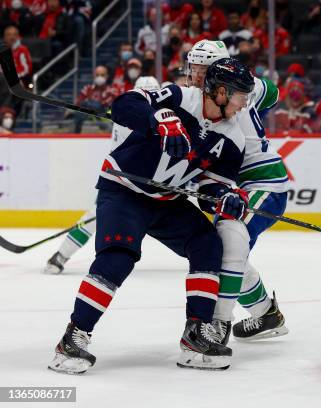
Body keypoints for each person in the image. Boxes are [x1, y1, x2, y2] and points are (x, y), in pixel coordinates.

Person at [48, 58, 254, 374]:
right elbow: (124, 104)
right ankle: (72, 339)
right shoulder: (181, 98)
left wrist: (226, 199)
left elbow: (213, 187)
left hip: (165, 200)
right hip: (124, 189)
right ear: (222, 92)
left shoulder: (233, 139)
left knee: (207, 243)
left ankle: (195, 335)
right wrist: (160, 119)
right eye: (240, 95)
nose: (243, 104)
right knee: (119, 256)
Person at [184, 40, 289, 342]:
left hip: (262, 182)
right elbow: (273, 92)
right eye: (194, 68)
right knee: (231, 250)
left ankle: (219, 323)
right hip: (238, 185)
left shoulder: (221, 95)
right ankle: (266, 314)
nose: (196, 75)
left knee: (229, 242)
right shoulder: (237, 86)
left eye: (203, 69)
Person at [44, 76, 162, 275]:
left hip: (142, 178)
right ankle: (61, 255)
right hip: (122, 179)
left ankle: (60, 256)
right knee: (96, 216)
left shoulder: (138, 114)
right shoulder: (135, 119)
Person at [73, 65, 119, 133]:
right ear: (94, 76)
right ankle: (76, 136)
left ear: (107, 76)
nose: (99, 77)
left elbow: (112, 109)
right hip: (88, 122)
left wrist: (98, 106)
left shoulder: (112, 91)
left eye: (102, 75)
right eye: (97, 75)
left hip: (106, 121)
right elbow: (77, 103)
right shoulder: (87, 89)